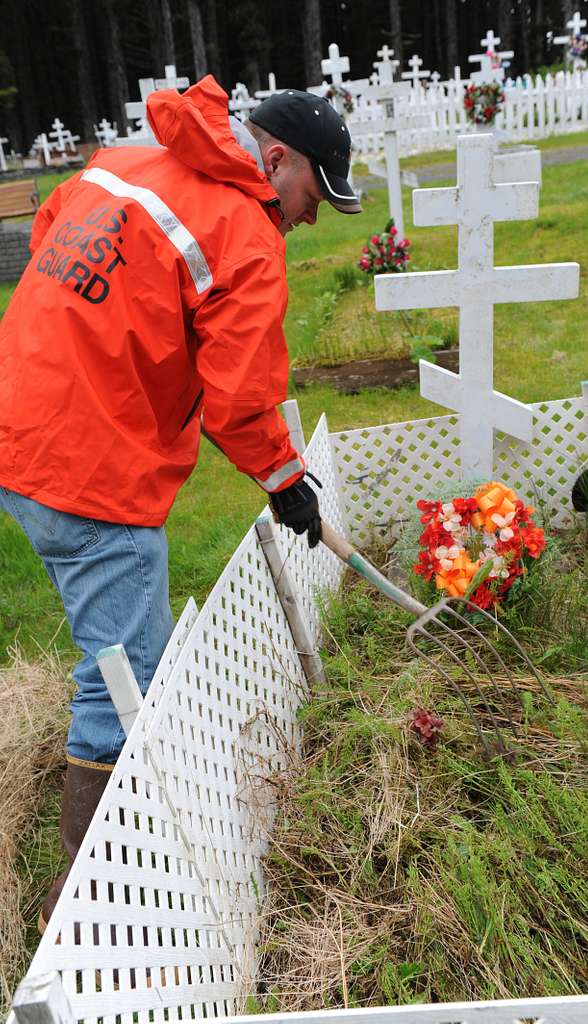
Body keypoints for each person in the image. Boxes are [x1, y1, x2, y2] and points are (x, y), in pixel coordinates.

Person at [0, 76, 361, 931]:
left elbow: (50, 248)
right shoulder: (243, 235)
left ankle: (103, 884)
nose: (310, 217)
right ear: (276, 158)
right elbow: (239, 401)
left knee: (119, 657)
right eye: (314, 194)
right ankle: (92, 913)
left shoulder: (125, 161)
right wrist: (285, 484)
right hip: (91, 468)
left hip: (19, 420)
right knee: (127, 681)